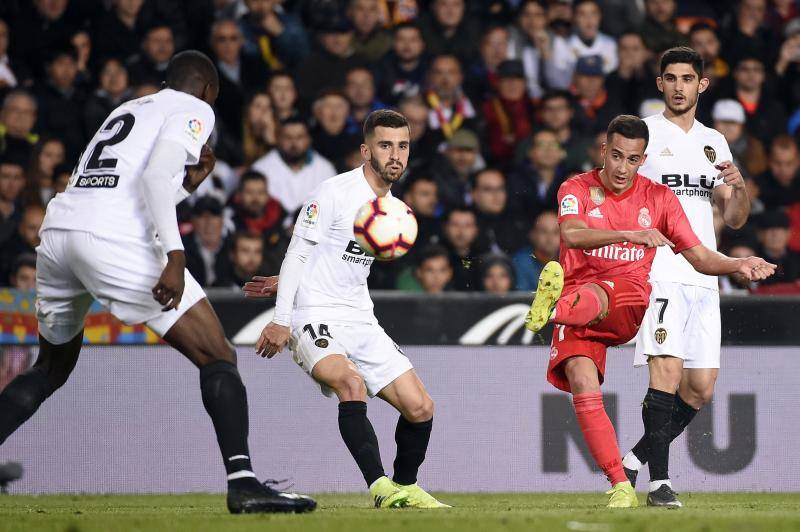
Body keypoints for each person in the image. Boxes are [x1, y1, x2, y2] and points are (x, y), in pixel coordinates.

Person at [0, 50, 316, 514]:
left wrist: (186, 187)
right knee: (218, 354)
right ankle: (243, 482)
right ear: (208, 90)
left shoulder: (130, 107)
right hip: (112, 240)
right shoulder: (196, 109)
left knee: (49, 368)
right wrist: (175, 253)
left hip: (60, 231)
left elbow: (127, 185)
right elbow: (150, 178)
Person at [524, 114, 775, 509]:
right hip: (579, 302)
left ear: (644, 159)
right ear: (604, 151)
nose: (623, 168)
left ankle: (554, 309)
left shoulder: (658, 199)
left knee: (606, 290)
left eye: (634, 159)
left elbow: (698, 255)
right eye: (617, 156)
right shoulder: (575, 187)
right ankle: (620, 484)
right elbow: (571, 233)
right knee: (582, 384)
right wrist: (629, 233)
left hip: (626, 299)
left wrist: (736, 264)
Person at [244, 110, 449, 509]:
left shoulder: (394, 210)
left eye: (402, 146)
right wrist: (282, 319)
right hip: (313, 315)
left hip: (360, 317)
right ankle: (380, 487)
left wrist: (289, 280)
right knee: (351, 385)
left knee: (421, 407)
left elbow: (334, 258)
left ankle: (405, 488)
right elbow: (298, 250)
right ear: (365, 150)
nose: (395, 155)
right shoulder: (333, 192)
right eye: (385, 145)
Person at [623, 47, 752, 508]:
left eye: (687, 78)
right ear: (660, 83)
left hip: (704, 273)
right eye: (671, 78)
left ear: (703, 85)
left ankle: (634, 460)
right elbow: (616, 186)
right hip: (658, 271)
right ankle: (659, 484)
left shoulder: (715, 141)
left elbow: (734, 220)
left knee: (699, 388)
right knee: (667, 372)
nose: (679, 86)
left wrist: (738, 186)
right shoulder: (645, 135)